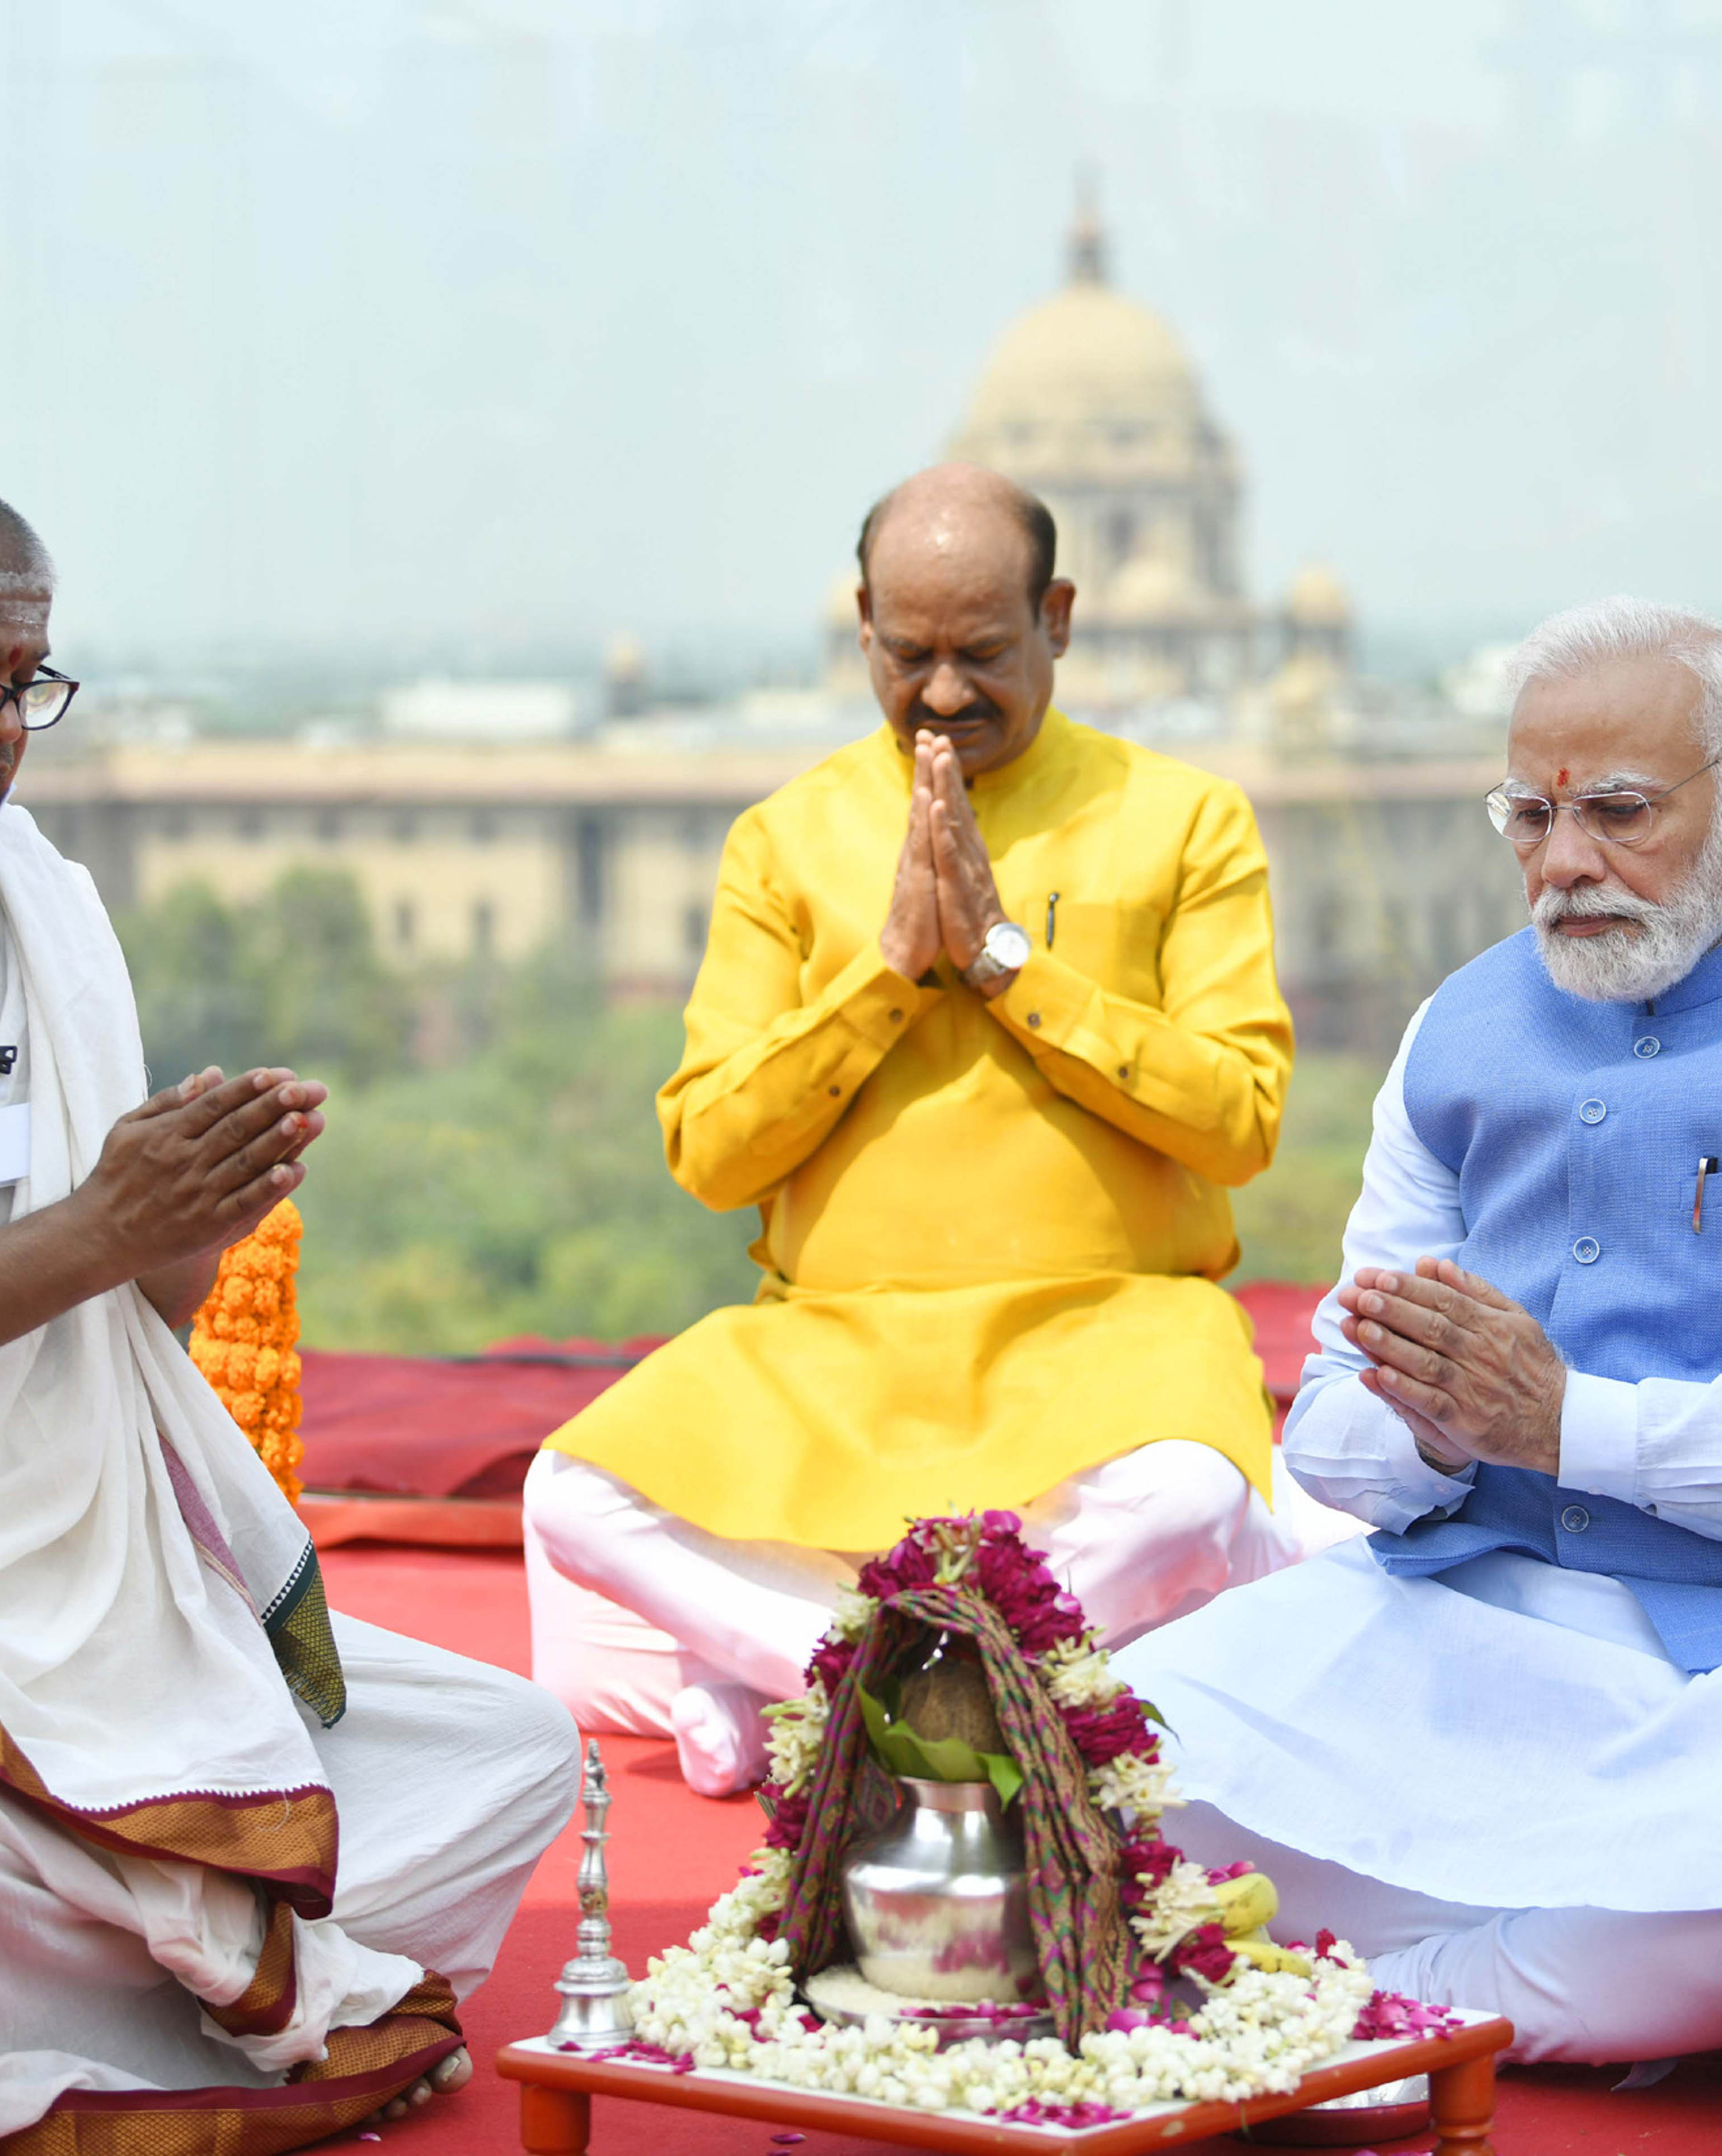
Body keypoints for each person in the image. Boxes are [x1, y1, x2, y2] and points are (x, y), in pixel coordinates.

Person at [1115, 596, 1722, 2068]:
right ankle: (1557, 1980)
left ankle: (1389, 2003)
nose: (1560, 864)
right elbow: (1338, 1436)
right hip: (1476, 1610)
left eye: (1616, 811)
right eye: (1528, 815)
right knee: (1099, 1756)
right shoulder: (1460, 1030)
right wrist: (1435, 1424)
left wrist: (1578, 1427)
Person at [0, 470, 579, 2151]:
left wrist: (183, 1221)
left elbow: (125, 1348)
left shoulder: (41, 902)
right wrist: (102, 1227)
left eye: (27, 682)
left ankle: (99, 1979)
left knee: (513, 1746)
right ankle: (183, 1969)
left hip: (66, 1588)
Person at [528, 464, 1304, 1795]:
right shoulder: (788, 840)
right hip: (841, 1347)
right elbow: (711, 1154)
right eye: (910, 655)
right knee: (570, 1496)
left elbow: (1238, 1124)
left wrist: (1012, 967)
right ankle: (896, 1688)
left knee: (1195, 1494)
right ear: (865, 630)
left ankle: (803, 1681)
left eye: (984, 653)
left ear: (1057, 617)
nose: (943, 692)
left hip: (1105, 1332)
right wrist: (887, 972)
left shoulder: (1183, 823)